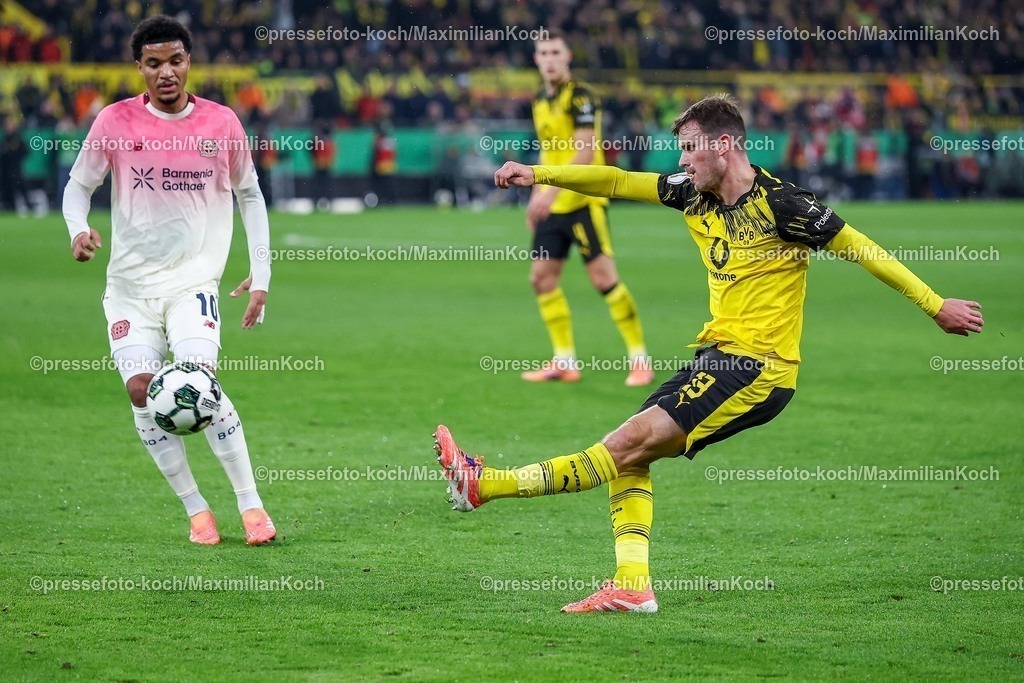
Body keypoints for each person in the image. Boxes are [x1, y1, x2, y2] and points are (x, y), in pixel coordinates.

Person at [435, 93, 983, 613]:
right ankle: (631, 587)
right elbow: (619, 181)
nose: (682, 161)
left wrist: (935, 304)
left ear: (723, 146)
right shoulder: (691, 191)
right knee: (633, 453)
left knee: (625, 443)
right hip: (719, 357)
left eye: (690, 147)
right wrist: (540, 173)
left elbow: (861, 248)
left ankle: (484, 485)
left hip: (759, 369)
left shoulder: (785, 204)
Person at [61, 15, 276, 546]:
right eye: (153, 63)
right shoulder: (113, 121)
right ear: (139, 67)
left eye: (175, 60)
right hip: (129, 289)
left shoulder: (221, 123)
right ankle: (197, 510)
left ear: (188, 62)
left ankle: (252, 508)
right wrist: (78, 229)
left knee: (198, 384)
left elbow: (249, 194)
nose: (165, 72)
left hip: (192, 284)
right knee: (141, 391)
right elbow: (77, 186)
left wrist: (262, 274)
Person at [522, 30, 653, 386]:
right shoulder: (538, 100)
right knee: (541, 278)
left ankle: (640, 359)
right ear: (536, 59)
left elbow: (584, 150)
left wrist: (547, 192)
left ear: (567, 58)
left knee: (604, 279)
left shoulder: (581, 98)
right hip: (553, 202)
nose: (549, 58)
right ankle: (564, 361)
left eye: (555, 52)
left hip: (583, 201)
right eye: (543, 52)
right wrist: (537, 192)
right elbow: (549, 150)